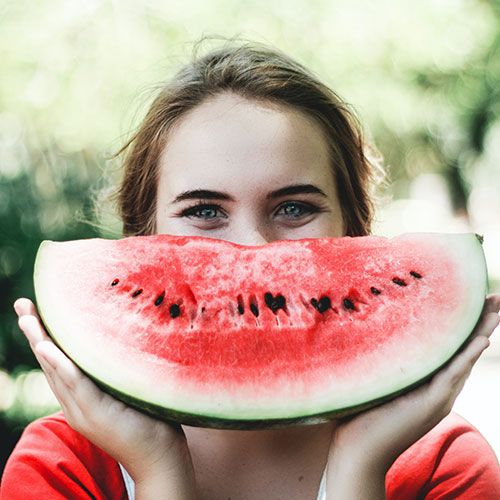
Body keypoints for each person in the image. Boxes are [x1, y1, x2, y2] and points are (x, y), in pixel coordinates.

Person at [2, 37, 500, 500]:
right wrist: (158, 468)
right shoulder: (64, 467)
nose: (251, 250)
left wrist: (359, 467)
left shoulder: (443, 466)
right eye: (203, 211)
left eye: (294, 208)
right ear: (141, 238)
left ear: (355, 231)